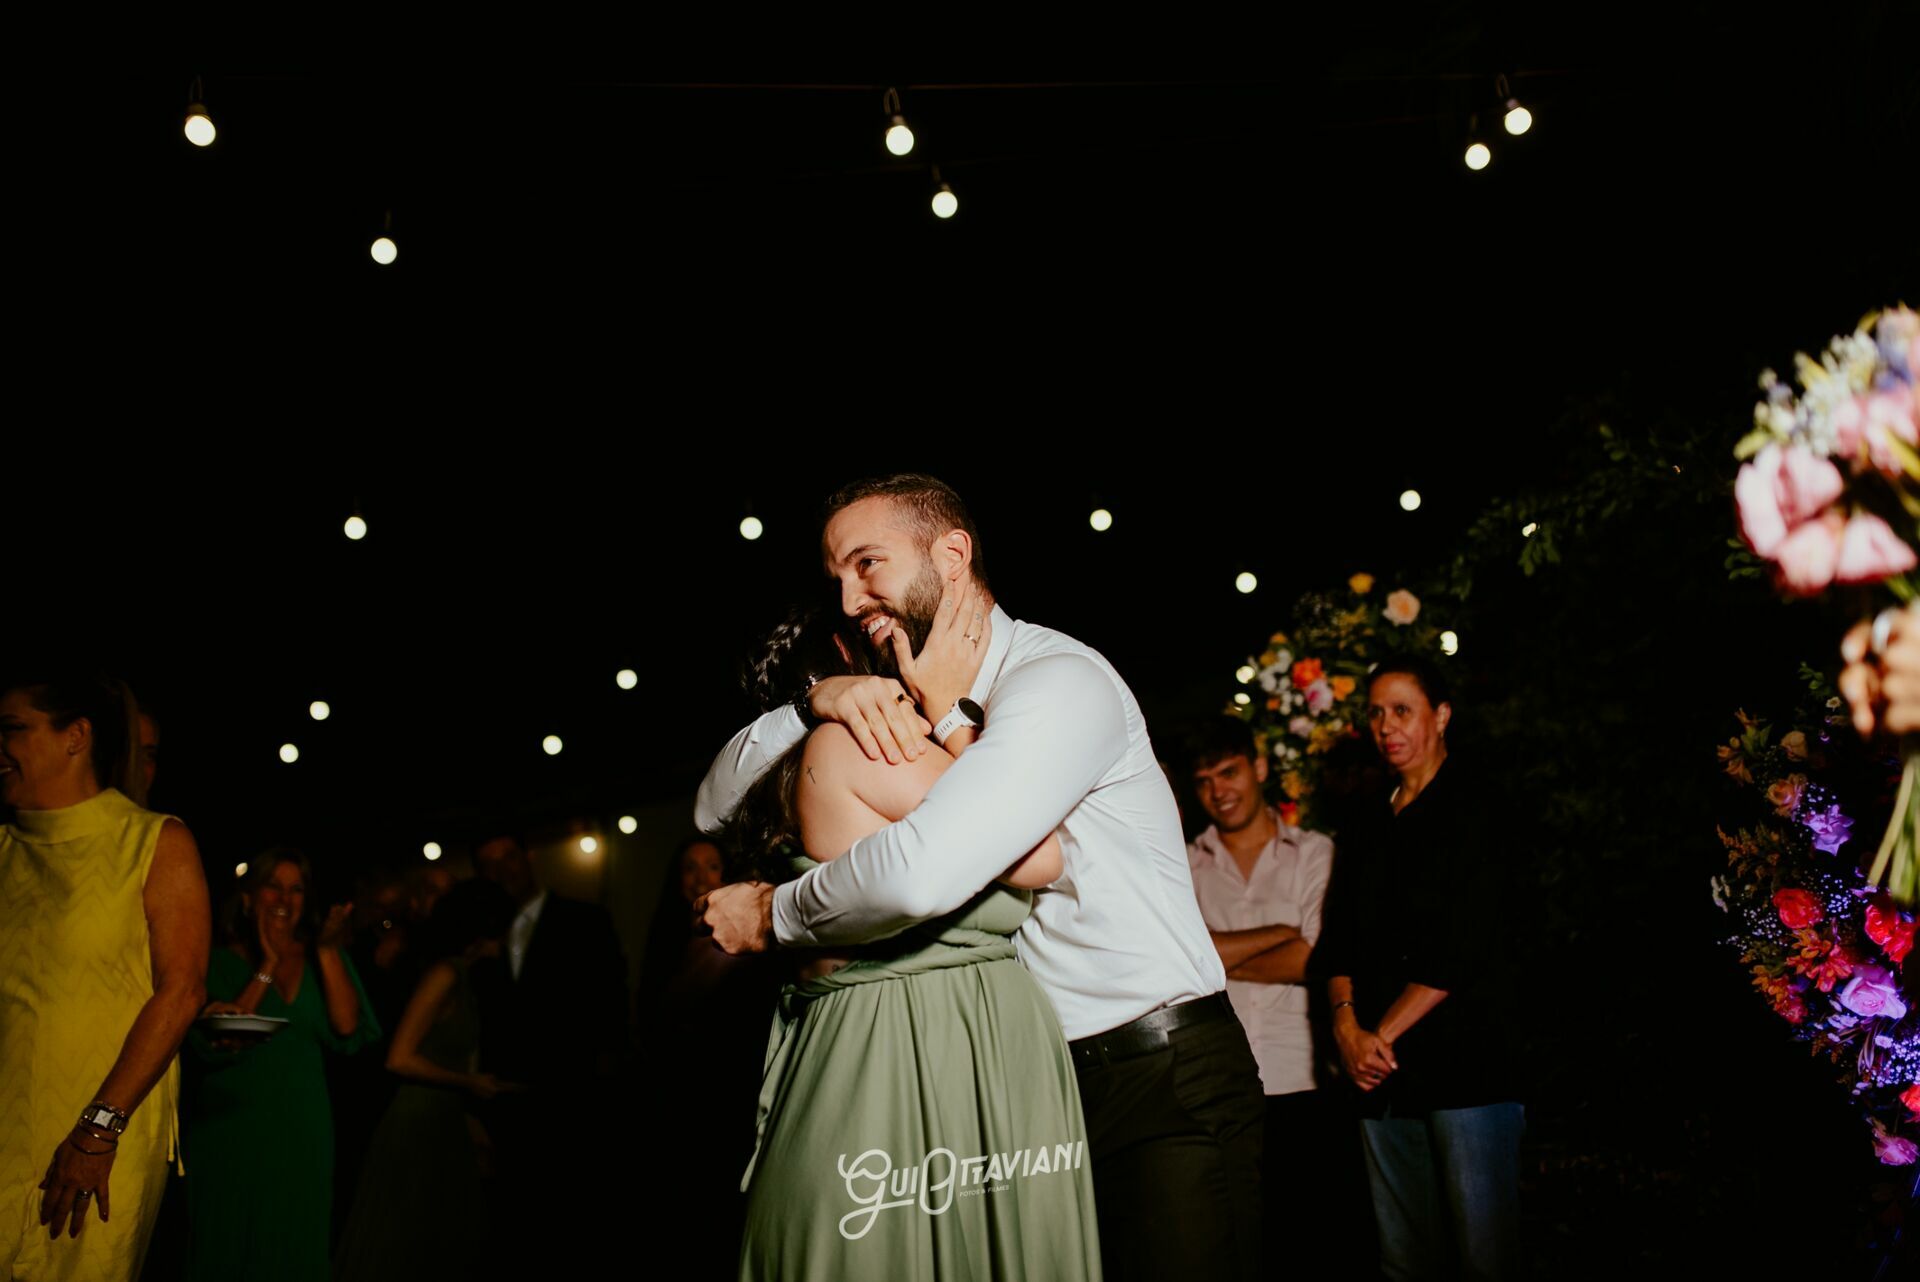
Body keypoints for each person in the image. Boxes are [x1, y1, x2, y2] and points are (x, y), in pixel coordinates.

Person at [697, 474, 1263, 1281]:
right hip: (1032, 1081)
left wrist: (773, 913)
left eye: (867, 563)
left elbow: (924, 871)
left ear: (951, 553)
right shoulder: (902, 706)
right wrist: (814, 700)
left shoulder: (1058, 680)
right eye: (839, 580)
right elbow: (712, 808)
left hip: (1156, 1076)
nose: (852, 599)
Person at [726, 605, 1099, 1279]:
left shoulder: (779, 773)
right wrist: (952, 716)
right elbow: (1041, 856)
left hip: (871, 1033)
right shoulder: (859, 745)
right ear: (849, 655)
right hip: (923, 1036)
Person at [1311, 656, 1523, 1281]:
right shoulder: (1366, 819)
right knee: (1404, 1262)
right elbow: (1339, 938)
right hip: (1379, 1079)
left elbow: (1466, 945)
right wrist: (1347, 1030)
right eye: (1376, 713)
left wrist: (1380, 1037)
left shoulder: (1480, 808)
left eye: (1402, 710)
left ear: (1442, 715)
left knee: (1482, 1258)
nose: (1386, 726)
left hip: (1466, 1072)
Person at [0, 674, 211, 1282]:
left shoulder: (151, 840)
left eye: (13, 729)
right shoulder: (5, 850)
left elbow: (183, 990)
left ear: (76, 736)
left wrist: (98, 1130)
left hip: (97, 1130)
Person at [1183, 718, 1360, 1271]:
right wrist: (1280, 933)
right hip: (1220, 1088)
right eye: (1206, 780)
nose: (1220, 791)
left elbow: (1316, 958)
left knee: (1315, 1246)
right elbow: (1179, 963)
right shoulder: (1183, 864)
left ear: (1260, 768)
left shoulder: (1314, 853)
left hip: (1303, 1083)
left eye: (1230, 772)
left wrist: (1214, 956)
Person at [182, 851, 381, 1282]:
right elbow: (222, 1037)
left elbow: (347, 1028)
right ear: (250, 898)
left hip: (304, 1130)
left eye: (296, 889)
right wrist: (268, 966)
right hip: (231, 1127)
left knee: (298, 1245)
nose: (284, 897)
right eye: (274, 885)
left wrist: (327, 950)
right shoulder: (213, 959)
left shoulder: (319, 956)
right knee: (228, 1245)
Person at [333, 876, 522, 1282]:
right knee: (405, 1242)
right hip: (415, 1122)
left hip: (441, 1118)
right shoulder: (445, 974)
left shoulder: (466, 976)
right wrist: (469, 1083)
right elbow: (399, 1058)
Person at [468, 831, 628, 1276]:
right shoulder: (478, 937)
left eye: (508, 858)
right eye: (488, 865)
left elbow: (612, 1006)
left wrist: (604, 1085)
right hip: (504, 1105)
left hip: (572, 1101)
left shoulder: (585, 920)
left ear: (528, 856)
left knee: (575, 1229)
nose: (501, 872)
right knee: (514, 1232)